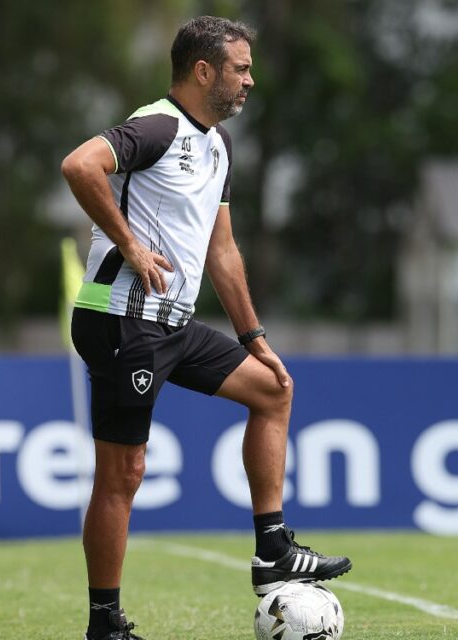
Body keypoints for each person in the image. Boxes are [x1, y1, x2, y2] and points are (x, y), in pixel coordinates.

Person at [61, 16, 351, 640]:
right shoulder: (160, 125)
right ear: (203, 71)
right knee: (125, 472)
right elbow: (81, 165)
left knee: (273, 389)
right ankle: (104, 625)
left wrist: (255, 340)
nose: (250, 80)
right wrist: (132, 246)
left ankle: (272, 549)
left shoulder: (216, 146)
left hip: (173, 323)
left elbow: (222, 252)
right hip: (121, 319)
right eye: (241, 68)